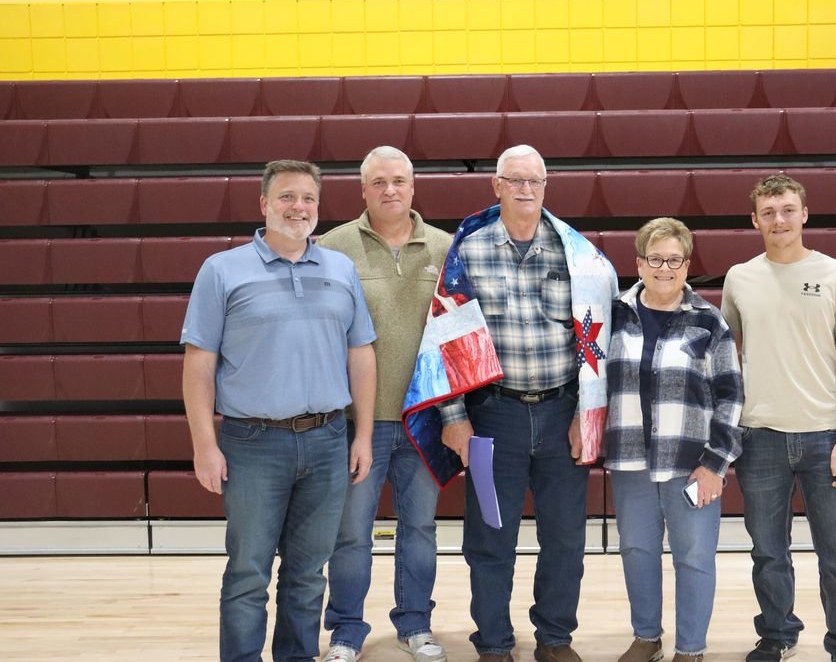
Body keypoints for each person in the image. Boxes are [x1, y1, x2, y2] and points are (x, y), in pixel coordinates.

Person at [404, 145, 617, 662]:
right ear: (496, 186)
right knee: (489, 537)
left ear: (546, 186)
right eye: (514, 180)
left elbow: (602, 339)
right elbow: (445, 340)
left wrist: (585, 415)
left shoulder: (578, 255)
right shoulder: (469, 253)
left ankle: (554, 639)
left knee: (565, 539)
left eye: (535, 181)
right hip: (491, 416)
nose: (526, 189)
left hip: (562, 411)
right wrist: (453, 418)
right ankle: (494, 641)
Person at [182, 159, 377, 662]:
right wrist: (205, 445)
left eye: (308, 198)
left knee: (309, 572)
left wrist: (363, 437)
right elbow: (199, 365)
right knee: (248, 572)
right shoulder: (222, 270)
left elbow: (362, 354)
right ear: (264, 204)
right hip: (252, 444)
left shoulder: (340, 268)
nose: (299, 207)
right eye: (287, 197)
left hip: (328, 438)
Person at [720, 174, 836, 662]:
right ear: (755, 220)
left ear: (804, 213)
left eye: (787, 209)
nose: (779, 219)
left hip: (825, 436)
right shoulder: (739, 278)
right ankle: (778, 634)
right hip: (759, 437)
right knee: (767, 552)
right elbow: (726, 357)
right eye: (768, 212)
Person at [317, 146, 453, 662]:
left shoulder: (444, 247)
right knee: (350, 534)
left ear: (413, 187)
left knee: (419, 529)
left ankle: (416, 624)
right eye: (379, 182)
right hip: (358, 425)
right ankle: (346, 631)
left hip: (425, 421)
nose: (390, 190)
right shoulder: (333, 247)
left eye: (399, 181)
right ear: (363, 189)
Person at [605, 217, 743, 662]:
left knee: (695, 557)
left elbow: (731, 396)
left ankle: (691, 648)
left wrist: (715, 464)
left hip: (691, 464)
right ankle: (647, 637)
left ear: (687, 264)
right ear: (639, 263)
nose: (665, 268)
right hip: (630, 462)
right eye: (655, 258)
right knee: (637, 551)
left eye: (675, 260)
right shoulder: (614, 313)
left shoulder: (708, 321)